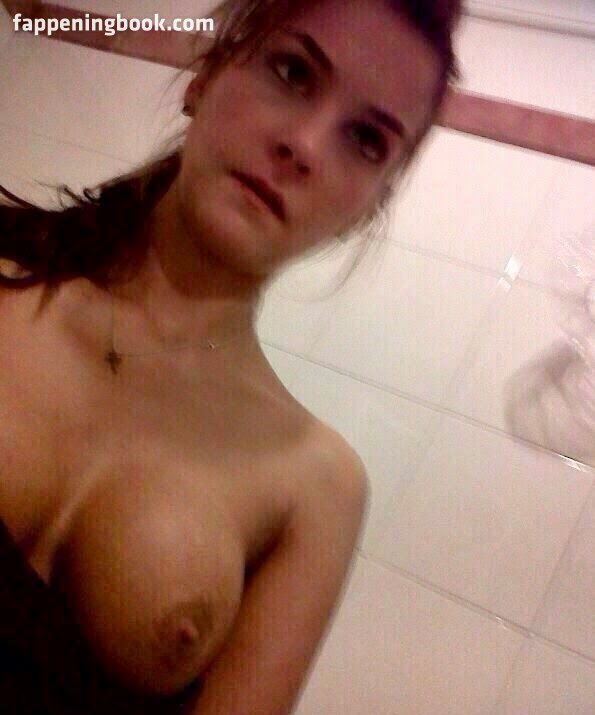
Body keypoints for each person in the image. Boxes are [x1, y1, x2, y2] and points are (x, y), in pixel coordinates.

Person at [0, 0, 462, 712]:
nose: (304, 145)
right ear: (207, 74)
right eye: (292, 71)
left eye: (366, 139)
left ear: (369, 207)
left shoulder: (316, 487)